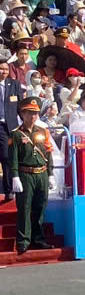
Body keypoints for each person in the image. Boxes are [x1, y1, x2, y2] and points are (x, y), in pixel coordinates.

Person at [9, 97, 52, 254]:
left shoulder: (42, 131)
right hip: (26, 174)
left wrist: (51, 174)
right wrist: (15, 176)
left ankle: (38, 239)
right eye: (29, 113)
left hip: (42, 173)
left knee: (40, 207)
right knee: (25, 208)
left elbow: (48, 153)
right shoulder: (16, 134)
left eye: (35, 113)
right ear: (22, 114)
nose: (33, 116)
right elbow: (13, 157)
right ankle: (23, 241)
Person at [0, 58, 21, 201]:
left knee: (8, 157)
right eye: (1, 69)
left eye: (6, 69)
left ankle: (9, 190)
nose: (4, 72)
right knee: (4, 156)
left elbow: (19, 106)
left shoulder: (14, 84)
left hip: (10, 126)